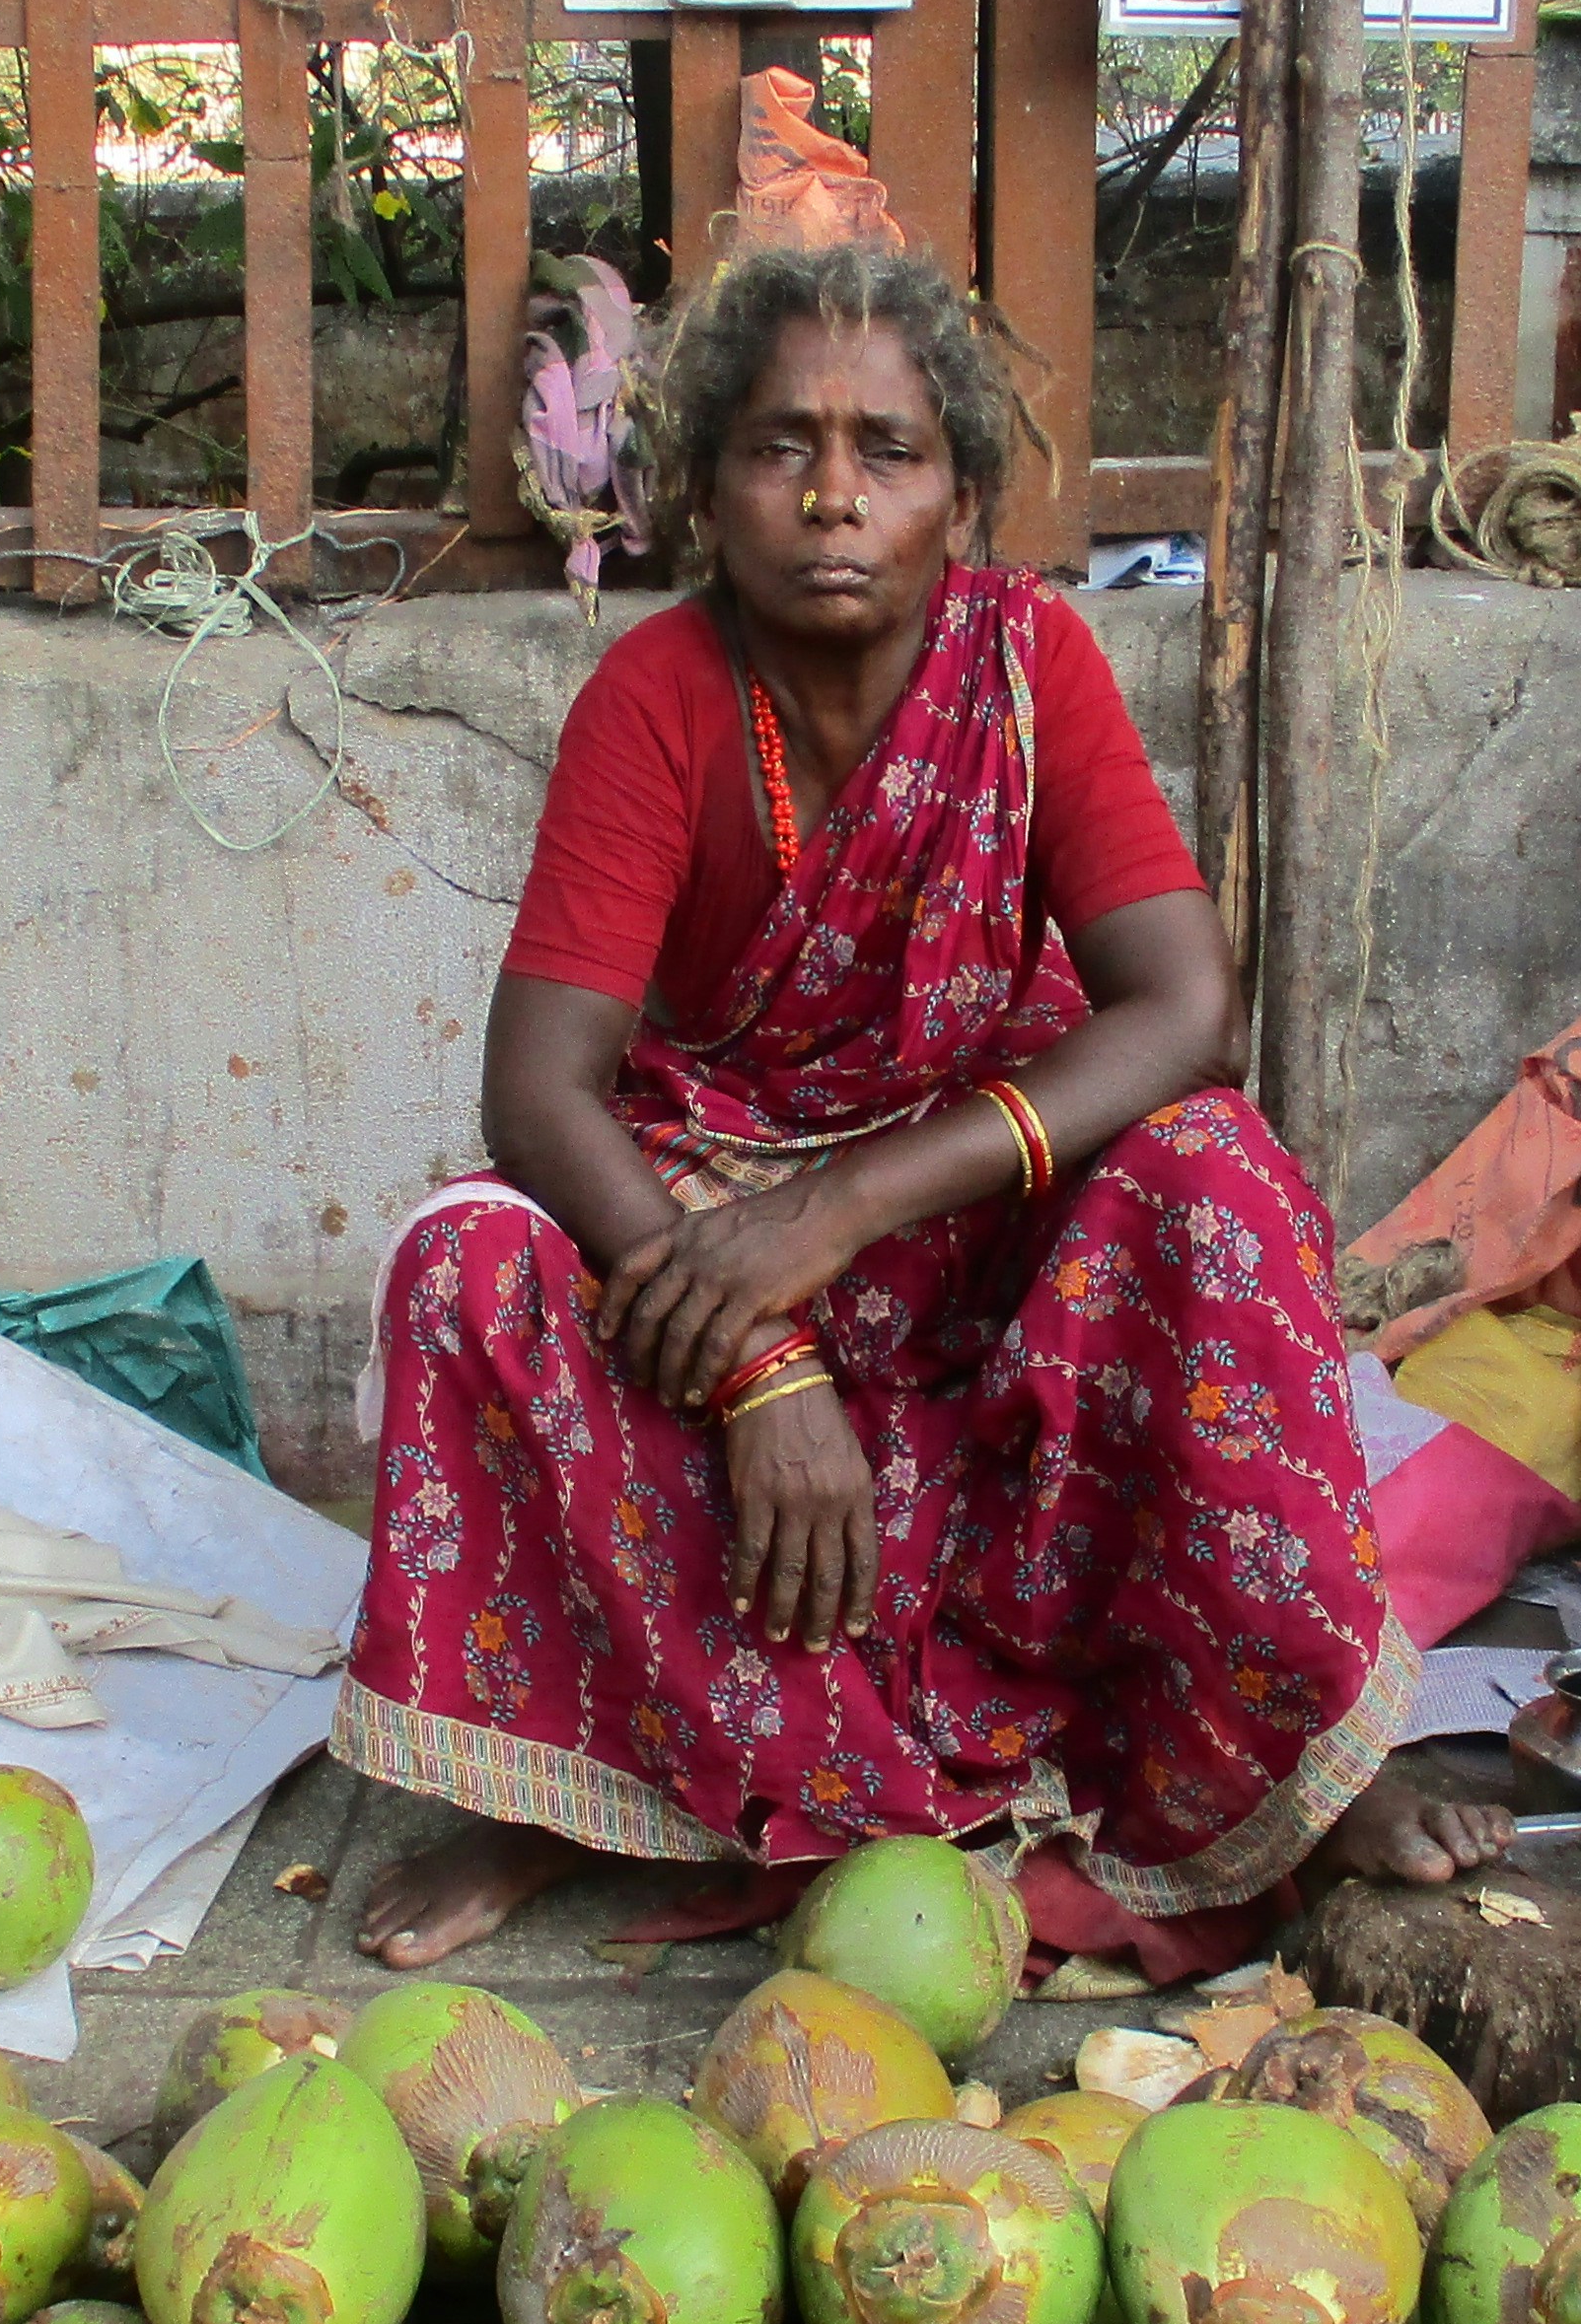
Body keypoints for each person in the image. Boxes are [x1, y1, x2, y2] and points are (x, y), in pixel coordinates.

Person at [339, 240, 1507, 1971]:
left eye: (885, 453)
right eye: (779, 449)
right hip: (717, 1197)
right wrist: (756, 1351)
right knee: (467, 1261)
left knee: (1214, 1176)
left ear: (959, 496)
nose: (831, 498)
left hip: (968, 1206)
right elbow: (539, 1092)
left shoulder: (1032, 664)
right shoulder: (654, 696)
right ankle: (559, 1789)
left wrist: (846, 1210)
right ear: (704, 496)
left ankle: (1290, 1776)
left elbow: (1185, 1005)